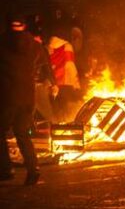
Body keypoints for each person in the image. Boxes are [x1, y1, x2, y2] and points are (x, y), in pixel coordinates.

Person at [0, 15, 46, 185]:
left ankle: (5, 169)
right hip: (28, 96)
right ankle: (33, 169)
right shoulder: (33, 45)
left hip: (8, 97)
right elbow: (40, 58)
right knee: (22, 133)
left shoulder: (3, 43)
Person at [47, 32, 80, 122]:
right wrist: (76, 82)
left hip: (53, 83)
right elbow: (70, 65)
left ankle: (58, 129)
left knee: (56, 110)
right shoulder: (67, 46)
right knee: (68, 111)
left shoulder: (47, 47)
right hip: (67, 82)